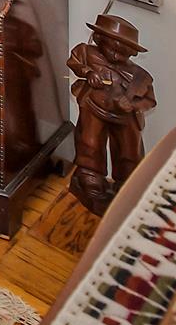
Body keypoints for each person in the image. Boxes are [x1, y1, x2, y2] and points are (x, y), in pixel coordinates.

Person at [67, 13, 156, 213]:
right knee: (90, 142)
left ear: (132, 52)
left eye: (122, 52)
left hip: (125, 119)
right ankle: (90, 176)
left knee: (129, 150)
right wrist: (88, 72)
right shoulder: (86, 53)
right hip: (93, 108)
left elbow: (150, 100)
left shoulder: (140, 76)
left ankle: (127, 182)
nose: (115, 56)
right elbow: (73, 61)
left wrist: (133, 105)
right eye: (111, 48)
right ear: (99, 39)